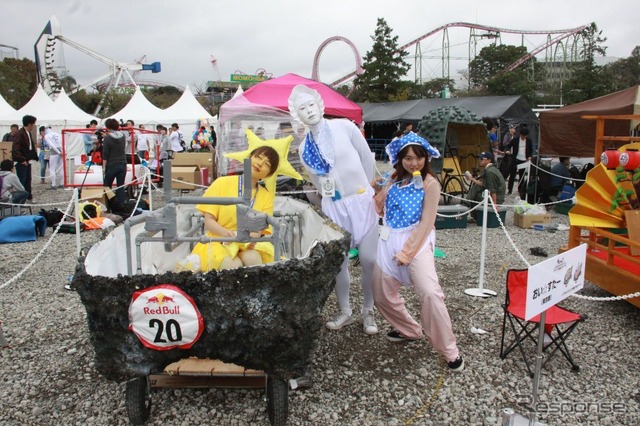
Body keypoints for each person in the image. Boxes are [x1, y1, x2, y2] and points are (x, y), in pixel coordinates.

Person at [288, 84, 379, 335]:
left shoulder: (344, 126)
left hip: (362, 201)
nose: (308, 111)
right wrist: (333, 200)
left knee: (370, 259)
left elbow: (366, 158)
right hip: (334, 206)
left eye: (310, 105)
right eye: (302, 109)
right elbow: (317, 182)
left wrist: (367, 190)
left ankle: (369, 310)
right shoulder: (304, 148)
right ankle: (345, 310)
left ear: (320, 105)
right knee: (339, 263)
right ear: (297, 116)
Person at [371, 132, 464, 373]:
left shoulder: (430, 183)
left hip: (417, 241)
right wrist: (375, 192)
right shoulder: (392, 179)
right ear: (400, 159)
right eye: (409, 158)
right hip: (388, 239)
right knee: (381, 294)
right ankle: (410, 330)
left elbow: (427, 221)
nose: (414, 163)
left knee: (431, 294)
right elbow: (380, 209)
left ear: (426, 158)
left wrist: (407, 252)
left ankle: (449, 351)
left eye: (419, 157)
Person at [177, 146, 280, 272]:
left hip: (246, 243)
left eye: (267, 164)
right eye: (258, 157)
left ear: (268, 174)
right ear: (248, 158)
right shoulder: (222, 183)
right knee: (231, 266)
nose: (259, 163)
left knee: (253, 259)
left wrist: (248, 238)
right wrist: (227, 234)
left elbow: (259, 231)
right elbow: (209, 220)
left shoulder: (265, 195)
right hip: (218, 239)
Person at [11, 115, 38, 201]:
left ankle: (28, 196)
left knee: (28, 180)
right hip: (21, 161)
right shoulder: (20, 133)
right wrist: (21, 159)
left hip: (28, 160)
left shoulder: (28, 133)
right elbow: (16, 148)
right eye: (33, 124)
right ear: (29, 124)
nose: (34, 126)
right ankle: (21, 199)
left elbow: (30, 147)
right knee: (21, 180)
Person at [102, 118, 127, 204]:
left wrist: (103, 167)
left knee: (107, 186)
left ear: (108, 127)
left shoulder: (107, 138)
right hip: (123, 163)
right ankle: (121, 205)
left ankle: (109, 204)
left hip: (112, 164)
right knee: (121, 186)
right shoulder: (123, 136)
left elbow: (105, 153)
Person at [504, 128, 533, 196]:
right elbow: (508, 146)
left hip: (524, 160)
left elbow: (531, 149)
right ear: (520, 134)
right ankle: (510, 190)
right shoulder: (515, 140)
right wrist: (507, 151)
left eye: (525, 136)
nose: (523, 137)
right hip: (515, 159)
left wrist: (529, 156)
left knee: (522, 176)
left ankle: (520, 190)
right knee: (512, 175)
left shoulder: (529, 141)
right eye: (522, 135)